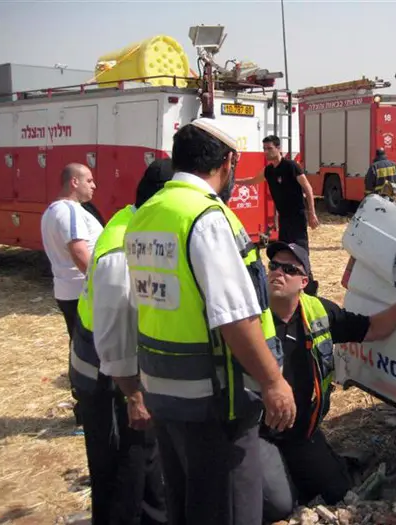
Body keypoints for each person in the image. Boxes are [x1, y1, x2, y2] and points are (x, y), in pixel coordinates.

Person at [123, 118, 296, 525]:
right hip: (216, 401)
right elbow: (235, 317)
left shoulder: (146, 214)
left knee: (188, 505)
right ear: (228, 161)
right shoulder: (207, 218)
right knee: (229, 510)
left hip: (165, 394)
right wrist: (272, 381)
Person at [258, 241, 396, 522]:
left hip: (300, 433)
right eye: (272, 266)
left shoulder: (319, 312)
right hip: (259, 434)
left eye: (288, 269)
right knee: (280, 506)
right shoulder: (248, 317)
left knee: (337, 491)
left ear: (304, 281)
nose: (277, 273)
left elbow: (372, 328)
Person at [69, 160, 172, 525]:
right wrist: (134, 396)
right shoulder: (121, 250)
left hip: (117, 375)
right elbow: (112, 336)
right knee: (120, 475)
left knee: (143, 464)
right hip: (108, 381)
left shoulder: (132, 224)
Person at [40, 163, 103, 341]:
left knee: (78, 345)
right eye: (89, 180)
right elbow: (79, 252)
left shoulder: (51, 211)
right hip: (82, 292)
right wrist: (102, 283)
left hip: (67, 290)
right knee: (90, 347)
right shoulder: (70, 211)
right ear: (74, 182)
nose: (94, 185)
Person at [238, 135, 319, 252]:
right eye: (264, 149)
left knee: (300, 249)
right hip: (283, 217)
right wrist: (234, 181)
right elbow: (252, 181)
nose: (266, 152)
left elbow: (308, 188)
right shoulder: (268, 170)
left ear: (279, 148)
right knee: (285, 249)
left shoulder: (291, 166)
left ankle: (305, 270)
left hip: (297, 216)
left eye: (269, 148)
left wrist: (312, 213)